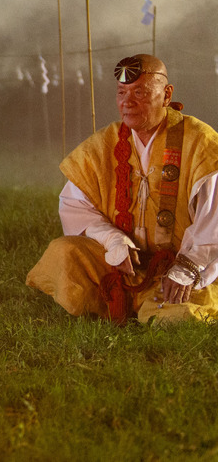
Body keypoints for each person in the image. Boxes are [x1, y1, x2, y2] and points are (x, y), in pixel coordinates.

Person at [27, 54, 218, 324]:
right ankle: (125, 300)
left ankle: (150, 305)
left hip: (176, 267)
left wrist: (189, 267)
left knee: (173, 320)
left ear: (166, 95)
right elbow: (74, 205)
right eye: (122, 92)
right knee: (64, 252)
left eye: (140, 92)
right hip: (123, 265)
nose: (127, 102)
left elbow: (215, 219)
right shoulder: (104, 142)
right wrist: (112, 240)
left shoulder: (200, 142)